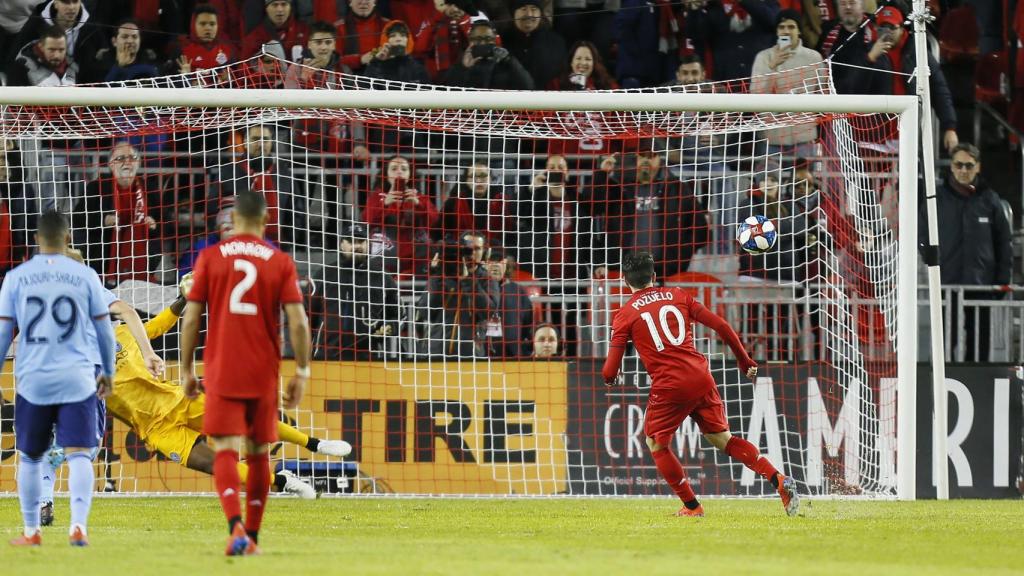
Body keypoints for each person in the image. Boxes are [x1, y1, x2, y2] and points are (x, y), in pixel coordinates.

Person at [39, 270, 353, 525]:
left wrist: (182, 299)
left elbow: (158, 325)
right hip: (156, 429)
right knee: (215, 466)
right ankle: (281, 481)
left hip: (178, 400)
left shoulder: (122, 333)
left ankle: (314, 444)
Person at [602, 252, 798, 517]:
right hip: (701, 376)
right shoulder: (678, 295)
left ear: (625, 281)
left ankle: (692, 506)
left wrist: (610, 377)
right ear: (655, 277)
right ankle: (778, 479)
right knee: (722, 438)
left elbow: (609, 370)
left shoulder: (625, 314)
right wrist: (743, 359)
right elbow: (721, 325)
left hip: (670, 386)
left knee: (656, 444)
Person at [180, 191, 312, 556]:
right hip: (262, 370)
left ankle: (233, 526)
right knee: (258, 454)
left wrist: (188, 369)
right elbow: (298, 321)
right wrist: (301, 370)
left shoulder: (210, 257)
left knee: (222, 448)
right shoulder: (279, 261)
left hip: (222, 368)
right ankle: (252, 536)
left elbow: (191, 317)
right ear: (266, 219)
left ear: (234, 220)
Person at [0, 210, 116, 546]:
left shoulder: (16, 277)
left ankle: (31, 531)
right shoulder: (86, 276)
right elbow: (105, 330)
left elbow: (4, 333)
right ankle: (78, 526)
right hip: (78, 377)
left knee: (31, 456)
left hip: (33, 379)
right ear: (67, 239)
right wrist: (107, 371)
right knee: (79, 453)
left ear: (36, 240)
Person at [925, 143, 1012, 362]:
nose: (964, 170)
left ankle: (979, 387)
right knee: (944, 344)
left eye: (969, 165)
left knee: (979, 345)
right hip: (946, 285)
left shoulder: (990, 200)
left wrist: (1001, 281)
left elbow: (1004, 242)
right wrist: (930, 260)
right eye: (959, 164)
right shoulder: (937, 199)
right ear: (952, 167)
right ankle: (940, 385)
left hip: (980, 285)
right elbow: (922, 232)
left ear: (978, 167)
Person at [310, 222, 403, 360]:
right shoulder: (323, 275)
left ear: (368, 244)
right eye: (351, 241)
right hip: (326, 359)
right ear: (341, 244)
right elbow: (305, 317)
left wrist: (390, 326)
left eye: (361, 241)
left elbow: (400, 316)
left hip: (368, 360)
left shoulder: (383, 278)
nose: (357, 246)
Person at [77, 141, 164, 286]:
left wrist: (154, 225)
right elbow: (78, 217)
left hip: (143, 260)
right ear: (111, 165)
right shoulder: (96, 187)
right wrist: (103, 220)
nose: (127, 163)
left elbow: (165, 221)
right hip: (104, 261)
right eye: (121, 159)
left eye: (132, 158)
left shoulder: (149, 189)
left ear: (139, 163)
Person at [750, 10, 825, 165]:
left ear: (799, 31)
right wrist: (771, 66)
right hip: (772, 138)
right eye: (782, 27)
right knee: (770, 187)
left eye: (791, 27)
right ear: (777, 31)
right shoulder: (764, 57)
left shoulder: (814, 57)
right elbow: (755, 95)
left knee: (804, 187)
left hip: (804, 137)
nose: (786, 31)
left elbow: (823, 94)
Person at [363, 155, 440, 276]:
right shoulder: (376, 197)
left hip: (416, 259)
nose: (399, 172)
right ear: (386, 174)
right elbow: (367, 221)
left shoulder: (420, 198)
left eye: (404, 169)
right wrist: (385, 203)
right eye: (394, 169)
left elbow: (435, 223)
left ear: (410, 174)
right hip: (384, 258)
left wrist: (419, 204)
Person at [443, 20, 535, 90]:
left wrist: (510, 61)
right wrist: (463, 68)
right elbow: (447, 92)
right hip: (470, 113)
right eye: (478, 39)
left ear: (494, 40)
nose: (483, 43)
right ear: (470, 41)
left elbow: (528, 86)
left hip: (499, 113)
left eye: (488, 39)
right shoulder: (461, 64)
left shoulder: (504, 63)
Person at [504, 0, 567, 89]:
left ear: (540, 14)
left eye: (534, 9)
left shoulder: (556, 42)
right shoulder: (503, 41)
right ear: (513, 13)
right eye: (523, 9)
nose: (529, 14)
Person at [484, 247, 534, 358]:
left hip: (512, 357)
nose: (496, 265)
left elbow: (528, 326)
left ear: (507, 265)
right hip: (480, 357)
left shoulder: (518, 291)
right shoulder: (475, 288)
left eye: (500, 261)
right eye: (492, 260)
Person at [171, 4, 237, 75]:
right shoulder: (182, 52)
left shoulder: (227, 51)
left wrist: (228, 80)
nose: (208, 28)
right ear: (193, 25)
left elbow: (236, 80)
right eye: (202, 24)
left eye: (212, 24)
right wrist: (185, 78)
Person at [90, 19, 160, 83]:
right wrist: (120, 66)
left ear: (140, 40)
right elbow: (103, 90)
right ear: (114, 41)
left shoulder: (150, 63)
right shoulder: (101, 65)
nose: (130, 41)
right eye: (125, 37)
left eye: (134, 37)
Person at [241, 0, 310, 60]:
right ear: (266, 8)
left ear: (290, 7)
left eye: (284, 4)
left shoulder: (304, 30)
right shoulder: (255, 36)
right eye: (275, 5)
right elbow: (243, 67)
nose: (280, 9)